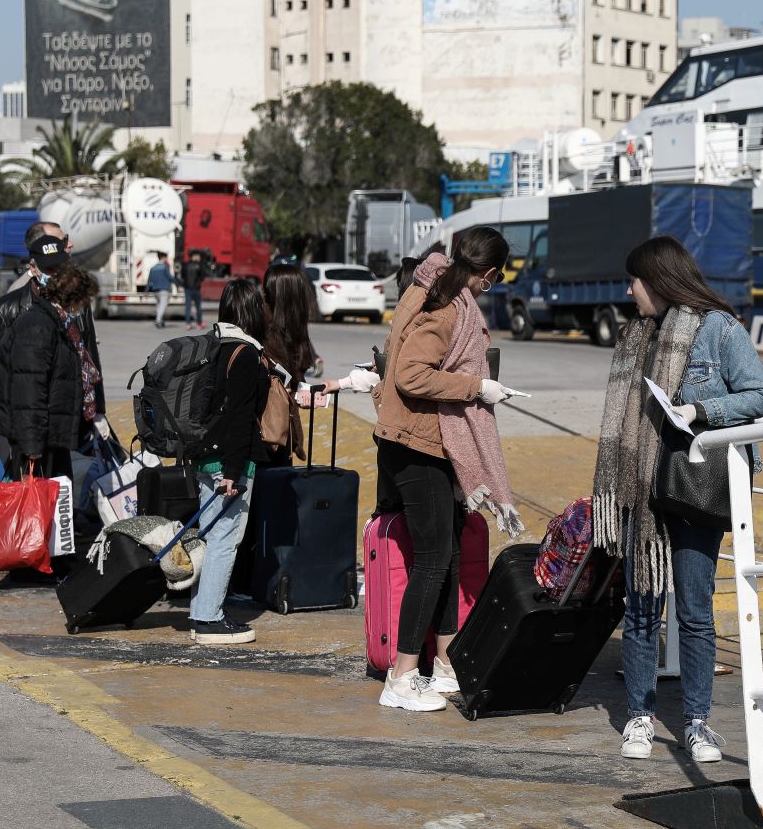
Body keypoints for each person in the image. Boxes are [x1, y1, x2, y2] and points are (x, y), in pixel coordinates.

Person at [592, 235, 763, 763]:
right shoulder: (636, 337)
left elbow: (760, 395)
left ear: (658, 280)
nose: (630, 292)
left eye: (635, 282)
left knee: (695, 610)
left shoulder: (718, 329)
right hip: (642, 490)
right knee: (644, 609)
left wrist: (699, 411)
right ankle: (639, 718)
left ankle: (697, 722)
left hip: (694, 485)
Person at [371, 227, 522, 712]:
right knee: (434, 559)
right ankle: (400, 677)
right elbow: (411, 374)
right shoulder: (448, 304)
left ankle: (442, 664)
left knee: (450, 553)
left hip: (422, 441)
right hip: (418, 444)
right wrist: (476, 387)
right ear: (491, 274)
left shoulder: (428, 285)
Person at [187, 278, 275, 645]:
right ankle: (209, 619)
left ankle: (199, 612)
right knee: (225, 538)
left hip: (205, 456)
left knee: (210, 536)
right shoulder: (245, 354)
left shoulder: (216, 345)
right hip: (229, 461)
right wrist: (236, 472)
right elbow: (239, 418)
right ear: (254, 310)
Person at [0, 264, 101, 482]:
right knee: (35, 502)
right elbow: (28, 390)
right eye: (85, 299)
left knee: (54, 494)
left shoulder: (55, 321)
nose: (85, 306)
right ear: (73, 296)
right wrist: (31, 444)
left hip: (47, 431)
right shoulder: (38, 327)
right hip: (35, 436)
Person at [261, 263, 377, 462]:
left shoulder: (293, 331)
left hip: (282, 435)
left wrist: (304, 394)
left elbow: (292, 384)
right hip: (266, 438)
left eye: (267, 291)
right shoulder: (264, 335)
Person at [181, 249, 207, 329]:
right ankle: (199, 323)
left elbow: (182, 276)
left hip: (187, 288)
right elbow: (203, 276)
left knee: (188, 306)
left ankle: (188, 324)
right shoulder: (200, 265)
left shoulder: (186, 265)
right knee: (198, 306)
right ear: (196, 257)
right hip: (196, 289)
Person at [148, 251, 174, 329]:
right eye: (166, 257)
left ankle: (160, 320)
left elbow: (149, 280)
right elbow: (169, 277)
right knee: (163, 305)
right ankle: (158, 320)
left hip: (155, 289)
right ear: (163, 258)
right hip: (164, 289)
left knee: (159, 305)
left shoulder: (153, 268)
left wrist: (147, 290)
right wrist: (178, 282)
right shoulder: (165, 267)